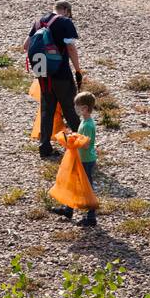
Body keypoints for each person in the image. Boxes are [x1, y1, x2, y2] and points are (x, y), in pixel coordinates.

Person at [25, 0, 82, 158]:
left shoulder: (39, 22)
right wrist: (78, 70)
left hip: (43, 74)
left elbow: (26, 46)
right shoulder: (65, 22)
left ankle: (44, 148)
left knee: (47, 109)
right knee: (69, 109)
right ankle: (81, 145)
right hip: (61, 73)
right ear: (65, 10)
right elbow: (70, 47)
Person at [57, 90, 98, 226]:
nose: (74, 108)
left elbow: (85, 145)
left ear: (85, 108)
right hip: (82, 159)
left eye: (77, 106)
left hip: (86, 160)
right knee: (74, 184)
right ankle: (68, 209)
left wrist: (72, 141)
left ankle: (91, 217)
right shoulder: (85, 121)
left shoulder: (87, 125)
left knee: (86, 188)